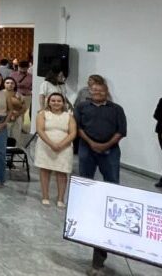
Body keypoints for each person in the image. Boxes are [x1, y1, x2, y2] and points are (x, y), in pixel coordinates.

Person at [74, 82, 126, 275]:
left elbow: (121, 131)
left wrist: (105, 145)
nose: (97, 92)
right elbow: (78, 127)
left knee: (112, 182)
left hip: (110, 149)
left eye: (100, 90)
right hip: (87, 147)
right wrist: (91, 143)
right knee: (85, 181)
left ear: (106, 92)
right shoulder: (82, 107)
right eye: (94, 90)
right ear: (90, 92)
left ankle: (113, 212)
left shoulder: (116, 109)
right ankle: (85, 207)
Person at [35, 92, 76, 208]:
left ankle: (60, 199)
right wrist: (51, 144)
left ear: (63, 103)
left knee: (62, 171)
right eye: (53, 101)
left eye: (59, 101)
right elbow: (40, 130)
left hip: (64, 147)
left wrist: (61, 145)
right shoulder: (42, 114)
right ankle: (45, 196)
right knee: (45, 170)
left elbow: (73, 133)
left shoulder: (69, 116)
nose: (56, 103)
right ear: (48, 102)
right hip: (45, 145)